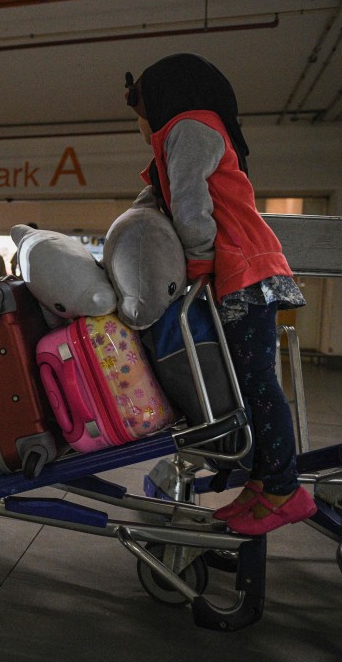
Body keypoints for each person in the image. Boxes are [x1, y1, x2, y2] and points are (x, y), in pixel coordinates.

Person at [125, 54, 314, 535]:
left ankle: (284, 489)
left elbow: (190, 204)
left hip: (242, 269)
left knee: (254, 382)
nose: (140, 127)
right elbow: (167, 196)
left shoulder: (189, 127)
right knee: (244, 380)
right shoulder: (184, 133)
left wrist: (199, 262)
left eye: (139, 114)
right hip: (238, 269)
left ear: (163, 98)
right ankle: (262, 482)